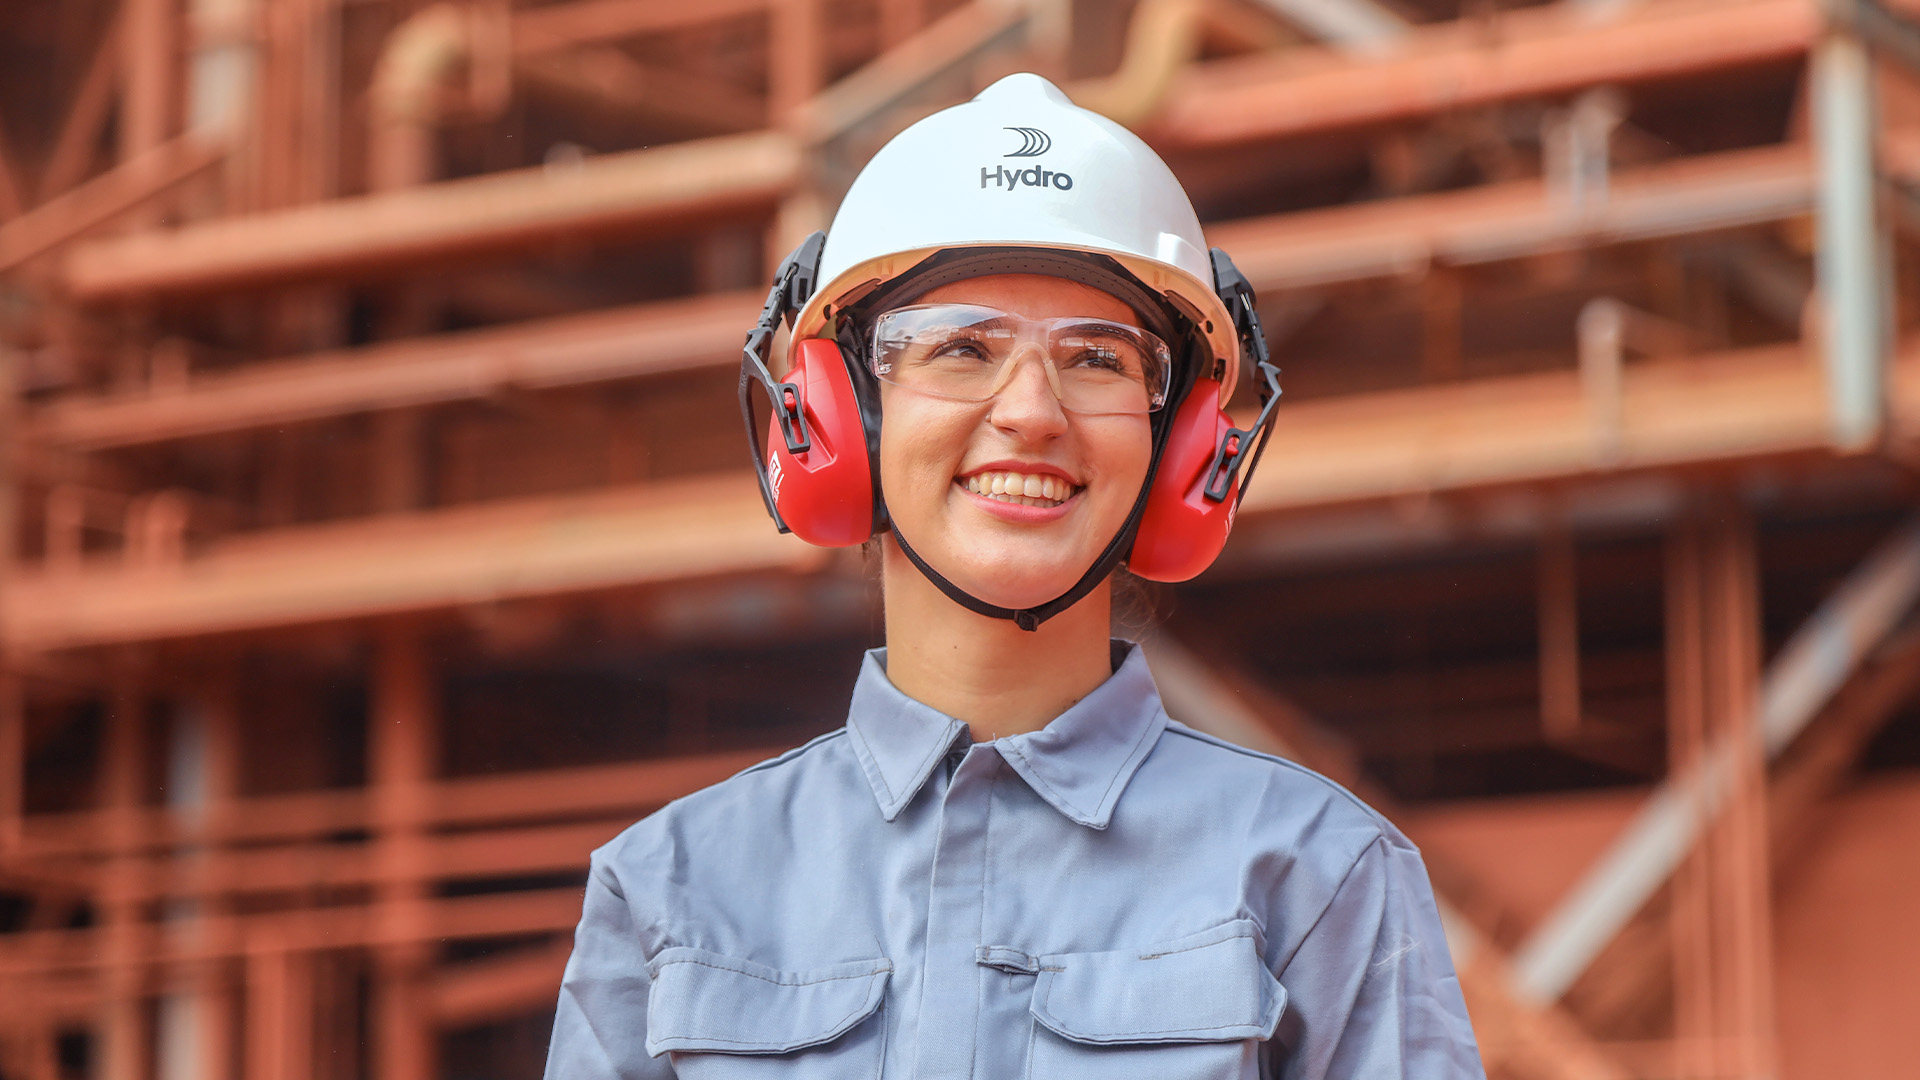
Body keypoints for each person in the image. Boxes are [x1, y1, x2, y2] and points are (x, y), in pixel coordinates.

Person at [544, 73, 1484, 1079]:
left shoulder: (1323, 876)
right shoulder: (668, 893)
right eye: (960, 347)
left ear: (1178, 450)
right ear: (836, 419)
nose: (1032, 410)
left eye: (1098, 359)